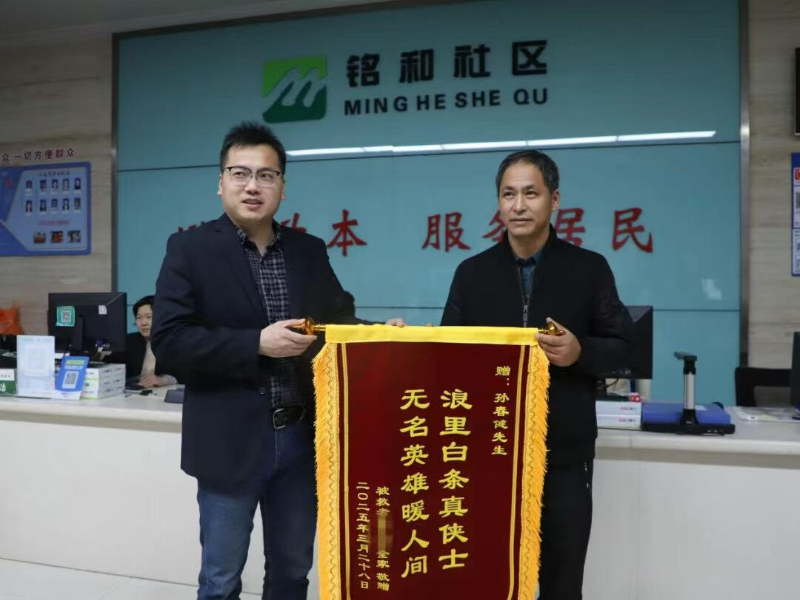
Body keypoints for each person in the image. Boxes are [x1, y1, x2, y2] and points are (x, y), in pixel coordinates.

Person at [151, 121, 403, 600]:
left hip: (301, 440)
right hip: (229, 441)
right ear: (221, 182)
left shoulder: (308, 250)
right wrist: (255, 344)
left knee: (292, 572)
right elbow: (170, 342)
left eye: (266, 175)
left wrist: (376, 333)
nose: (253, 186)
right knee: (221, 579)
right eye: (240, 173)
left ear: (282, 187)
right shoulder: (190, 249)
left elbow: (336, 320)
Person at [440, 150, 633, 600]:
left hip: (564, 452)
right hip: (488, 454)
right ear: (498, 202)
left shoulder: (588, 269)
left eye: (531, 193)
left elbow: (625, 347)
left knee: (562, 582)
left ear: (554, 200)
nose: (519, 205)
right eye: (509, 194)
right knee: (491, 579)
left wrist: (580, 352)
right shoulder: (471, 273)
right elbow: (448, 356)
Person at [115, 295, 178, 387]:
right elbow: (108, 365)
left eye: (149, 317)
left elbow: (186, 374)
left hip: (164, 393)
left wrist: (164, 380)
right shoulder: (128, 341)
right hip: (134, 393)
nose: (143, 323)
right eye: (139, 317)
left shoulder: (175, 342)